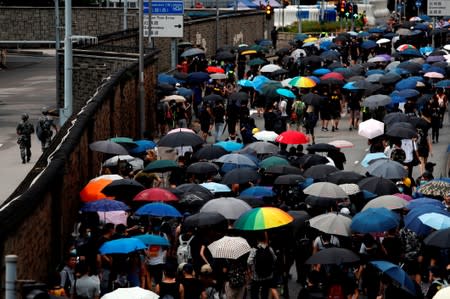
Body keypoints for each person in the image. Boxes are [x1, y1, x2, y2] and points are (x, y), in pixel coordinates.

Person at [247, 231, 277, 299]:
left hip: (256, 276)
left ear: (257, 239)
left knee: (254, 293)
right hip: (268, 276)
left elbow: (249, 262)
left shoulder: (254, 249)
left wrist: (250, 270)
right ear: (265, 238)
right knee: (265, 293)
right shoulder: (269, 248)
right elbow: (275, 259)